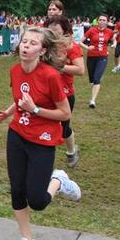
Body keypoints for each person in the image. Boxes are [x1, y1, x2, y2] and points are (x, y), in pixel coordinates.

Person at [0, 27, 81, 240]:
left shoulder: (51, 76)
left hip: (43, 139)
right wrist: (8, 112)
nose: (26, 46)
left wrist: (35, 109)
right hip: (17, 133)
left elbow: (65, 113)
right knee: (17, 189)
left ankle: (59, 180)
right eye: (24, 41)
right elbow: (21, 97)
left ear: (42, 50)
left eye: (33, 43)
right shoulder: (15, 71)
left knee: (37, 201)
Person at [46, 15, 84, 167]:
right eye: (50, 30)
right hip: (46, 92)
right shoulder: (45, 45)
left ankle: (71, 151)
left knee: (63, 128)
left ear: (64, 30)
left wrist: (60, 67)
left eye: (56, 29)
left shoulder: (71, 47)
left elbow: (80, 70)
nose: (52, 33)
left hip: (65, 94)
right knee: (44, 125)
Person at [82, 14, 115, 109]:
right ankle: (94, 87)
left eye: (104, 20)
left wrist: (114, 44)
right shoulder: (91, 30)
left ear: (107, 22)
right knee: (92, 80)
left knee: (97, 79)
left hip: (102, 57)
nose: (101, 21)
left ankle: (92, 100)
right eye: (100, 20)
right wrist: (87, 47)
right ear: (97, 21)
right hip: (91, 57)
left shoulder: (109, 32)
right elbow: (80, 42)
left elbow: (114, 40)